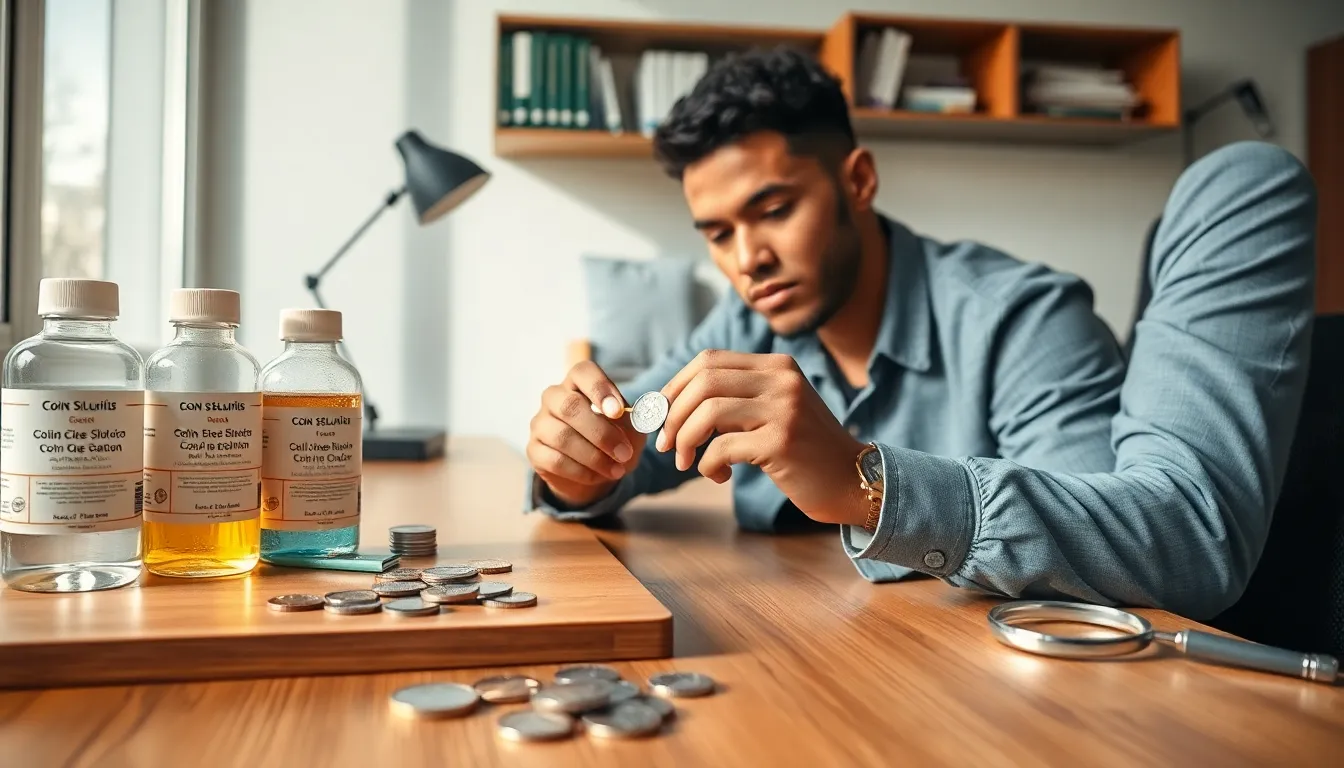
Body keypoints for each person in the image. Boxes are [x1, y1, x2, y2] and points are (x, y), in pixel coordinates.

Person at [522, 46, 1317, 621]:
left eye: (772, 210)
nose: (747, 259)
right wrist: (581, 469)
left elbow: (1134, 548)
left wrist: (868, 482)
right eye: (717, 232)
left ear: (858, 181)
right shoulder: (748, 315)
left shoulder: (1021, 319)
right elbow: (631, 453)